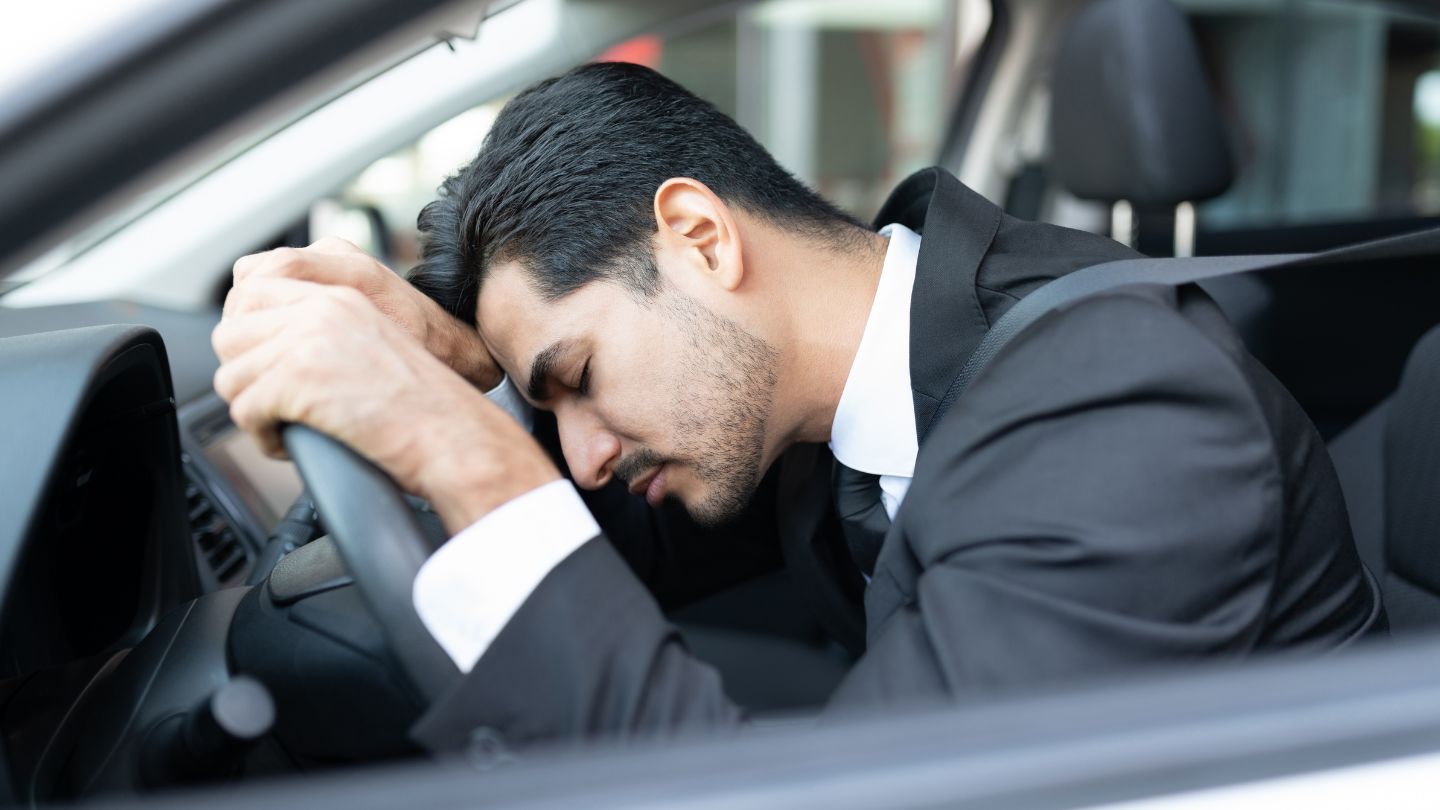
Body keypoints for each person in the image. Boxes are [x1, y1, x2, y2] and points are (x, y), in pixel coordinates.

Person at [212, 62, 1385, 750]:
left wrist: (466, 460)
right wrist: (470, 369)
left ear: (702, 238)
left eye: (574, 381)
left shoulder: (1117, 409)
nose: (580, 458)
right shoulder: (818, 375)